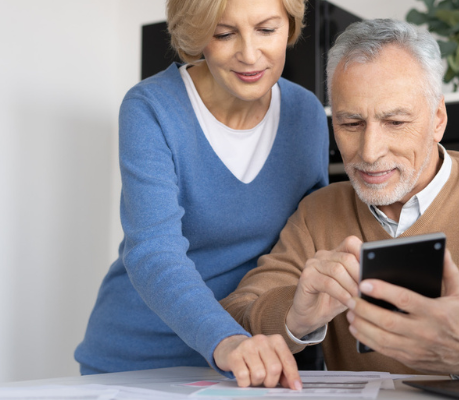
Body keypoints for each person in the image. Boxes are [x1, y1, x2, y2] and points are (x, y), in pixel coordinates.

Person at [220, 18, 459, 378]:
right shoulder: (319, 212)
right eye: (351, 124)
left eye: (395, 122)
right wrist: (296, 315)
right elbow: (234, 315)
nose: (370, 152)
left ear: (437, 119)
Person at [75, 0, 328, 389]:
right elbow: (153, 250)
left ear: (290, 27)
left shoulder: (306, 114)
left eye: (266, 29)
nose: (249, 53)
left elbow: (308, 241)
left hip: (253, 360)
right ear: (196, 35)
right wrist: (226, 341)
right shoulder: (152, 107)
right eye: (224, 34)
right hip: (139, 362)